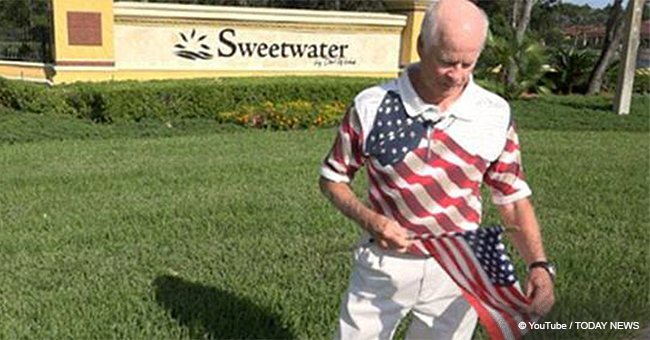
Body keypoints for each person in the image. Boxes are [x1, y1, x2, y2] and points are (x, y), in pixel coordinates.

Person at [318, 0, 555, 339]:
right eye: (446, 61)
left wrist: (538, 264)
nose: (457, 75)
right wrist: (370, 220)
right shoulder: (371, 105)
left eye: (467, 63)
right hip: (385, 263)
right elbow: (332, 179)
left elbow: (511, 196)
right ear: (421, 46)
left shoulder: (494, 112)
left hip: (459, 268)